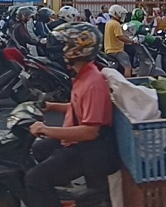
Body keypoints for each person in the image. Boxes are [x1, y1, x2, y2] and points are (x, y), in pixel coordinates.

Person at [24, 22, 119, 207]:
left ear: (78, 50)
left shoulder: (92, 82)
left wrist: (47, 129)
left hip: (90, 149)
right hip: (82, 143)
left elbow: (89, 131)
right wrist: (52, 106)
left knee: (34, 180)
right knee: (39, 148)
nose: (61, 50)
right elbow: (77, 108)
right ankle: (63, 192)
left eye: (65, 45)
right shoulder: (83, 74)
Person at [104, 4, 134, 77]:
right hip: (117, 51)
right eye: (121, 14)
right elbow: (119, 36)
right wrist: (131, 41)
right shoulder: (116, 24)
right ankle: (128, 82)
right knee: (128, 66)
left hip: (108, 50)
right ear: (116, 13)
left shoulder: (108, 23)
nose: (122, 16)